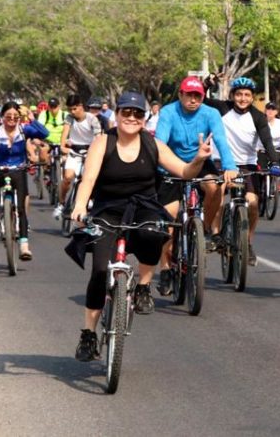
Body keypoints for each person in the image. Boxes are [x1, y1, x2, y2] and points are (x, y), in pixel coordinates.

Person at [69, 91, 213, 360]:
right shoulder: (103, 142)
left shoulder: (153, 144)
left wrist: (198, 159)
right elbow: (88, 180)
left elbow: (183, 172)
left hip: (143, 208)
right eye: (126, 112)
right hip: (107, 210)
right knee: (100, 270)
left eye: (138, 114)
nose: (132, 118)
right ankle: (88, 334)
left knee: (153, 233)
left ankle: (144, 286)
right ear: (117, 114)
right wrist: (79, 206)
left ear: (144, 119)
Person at [155, 76, 238, 285]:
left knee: (215, 186)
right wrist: (157, 168)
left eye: (197, 96)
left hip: (200, 163)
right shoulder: (168, 112)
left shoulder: (211, 113)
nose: (193, 100)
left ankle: (206, 230)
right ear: (180, 94)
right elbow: (160, 142)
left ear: (203, 96)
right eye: (189, 95)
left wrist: (229, 166)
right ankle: (165, 268)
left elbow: (220, 139)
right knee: (169, 219)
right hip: (172, 166)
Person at [203, 77, 280, 266]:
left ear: (253, 97)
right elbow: (201, 99)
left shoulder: (258, 116)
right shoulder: (222, 108)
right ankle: (215, 235)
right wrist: (207, 84)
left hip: (247, 164)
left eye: (247, 95)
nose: (242, 98)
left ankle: (247, 242)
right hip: (220, 161)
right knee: (218, 194)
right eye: (239, 94)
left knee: (253, 202)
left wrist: (274, 162)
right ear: (232, 95)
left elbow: (267, 141)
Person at [0, 102, 49, 260]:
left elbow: (44, 133)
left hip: (18, 169)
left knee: (21, 208)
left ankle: (24, 246)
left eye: (15, 117)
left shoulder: (24, 129)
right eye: (8, 116)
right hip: (0, 167)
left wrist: (32, 118)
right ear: (2, 117)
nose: (12, 119)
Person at [55, 94, 102, 219]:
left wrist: (96, 152)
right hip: (74, 151)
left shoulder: (92, 119)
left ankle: (90, 199)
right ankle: (61, 203)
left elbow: (98, 138)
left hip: (90, 151)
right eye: (70, 109)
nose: (72, 112)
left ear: (81, 106)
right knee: (68, 177)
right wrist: (63, 146)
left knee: (91, 178)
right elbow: (65, 134)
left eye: (74, 109)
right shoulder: (69, 118)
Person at [37, 97, 68, 166]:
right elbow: (39, 127)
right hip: (48, 142)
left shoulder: (65, 115)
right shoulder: (44, 114)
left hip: (62, 142)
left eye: (55, 107)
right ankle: (46, 171)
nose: (53, 109)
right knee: (43, 152)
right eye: (51, 107)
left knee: (71, 154)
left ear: (59, 106)